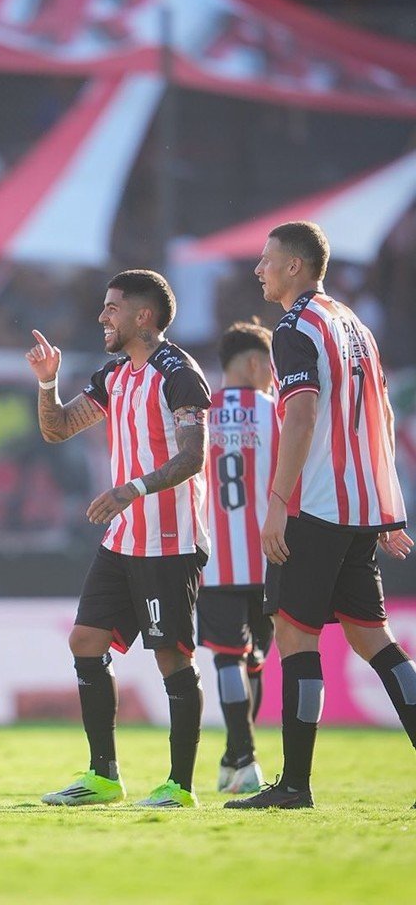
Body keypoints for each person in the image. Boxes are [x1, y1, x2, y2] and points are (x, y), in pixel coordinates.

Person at [224, 221, 415, 811]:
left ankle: (295, 786)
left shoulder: (294, 327)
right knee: (372, 637)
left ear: (295, 267)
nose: (258, 269)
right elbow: (381, 413)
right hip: (359, 504)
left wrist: (279, 505)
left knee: (294, 634)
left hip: (318, 505)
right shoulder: (354, 324)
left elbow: (302, 419)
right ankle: (295, 783)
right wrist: (387, 506)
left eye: (266, 259)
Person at [25, 269, 211, 809]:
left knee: (172, 659)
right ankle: (103, 776)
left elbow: (193, 456)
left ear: (143, 316)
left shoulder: (179, 373)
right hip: (124, 538)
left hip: (168, 542)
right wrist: (46, 382)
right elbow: (57, 427)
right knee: (85, 641)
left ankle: (180, 786)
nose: (102, 317)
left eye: (112, 308)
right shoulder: (114, 375)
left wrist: (132, 487)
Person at [198, 320, 276, 794]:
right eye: (270, 365)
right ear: (253, 363)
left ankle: (240, 757)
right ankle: (239, 756)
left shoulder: (198, 413)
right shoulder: (279, 411)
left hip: (215, 560)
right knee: (255, 662)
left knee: (229, 658)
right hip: (271, 558)